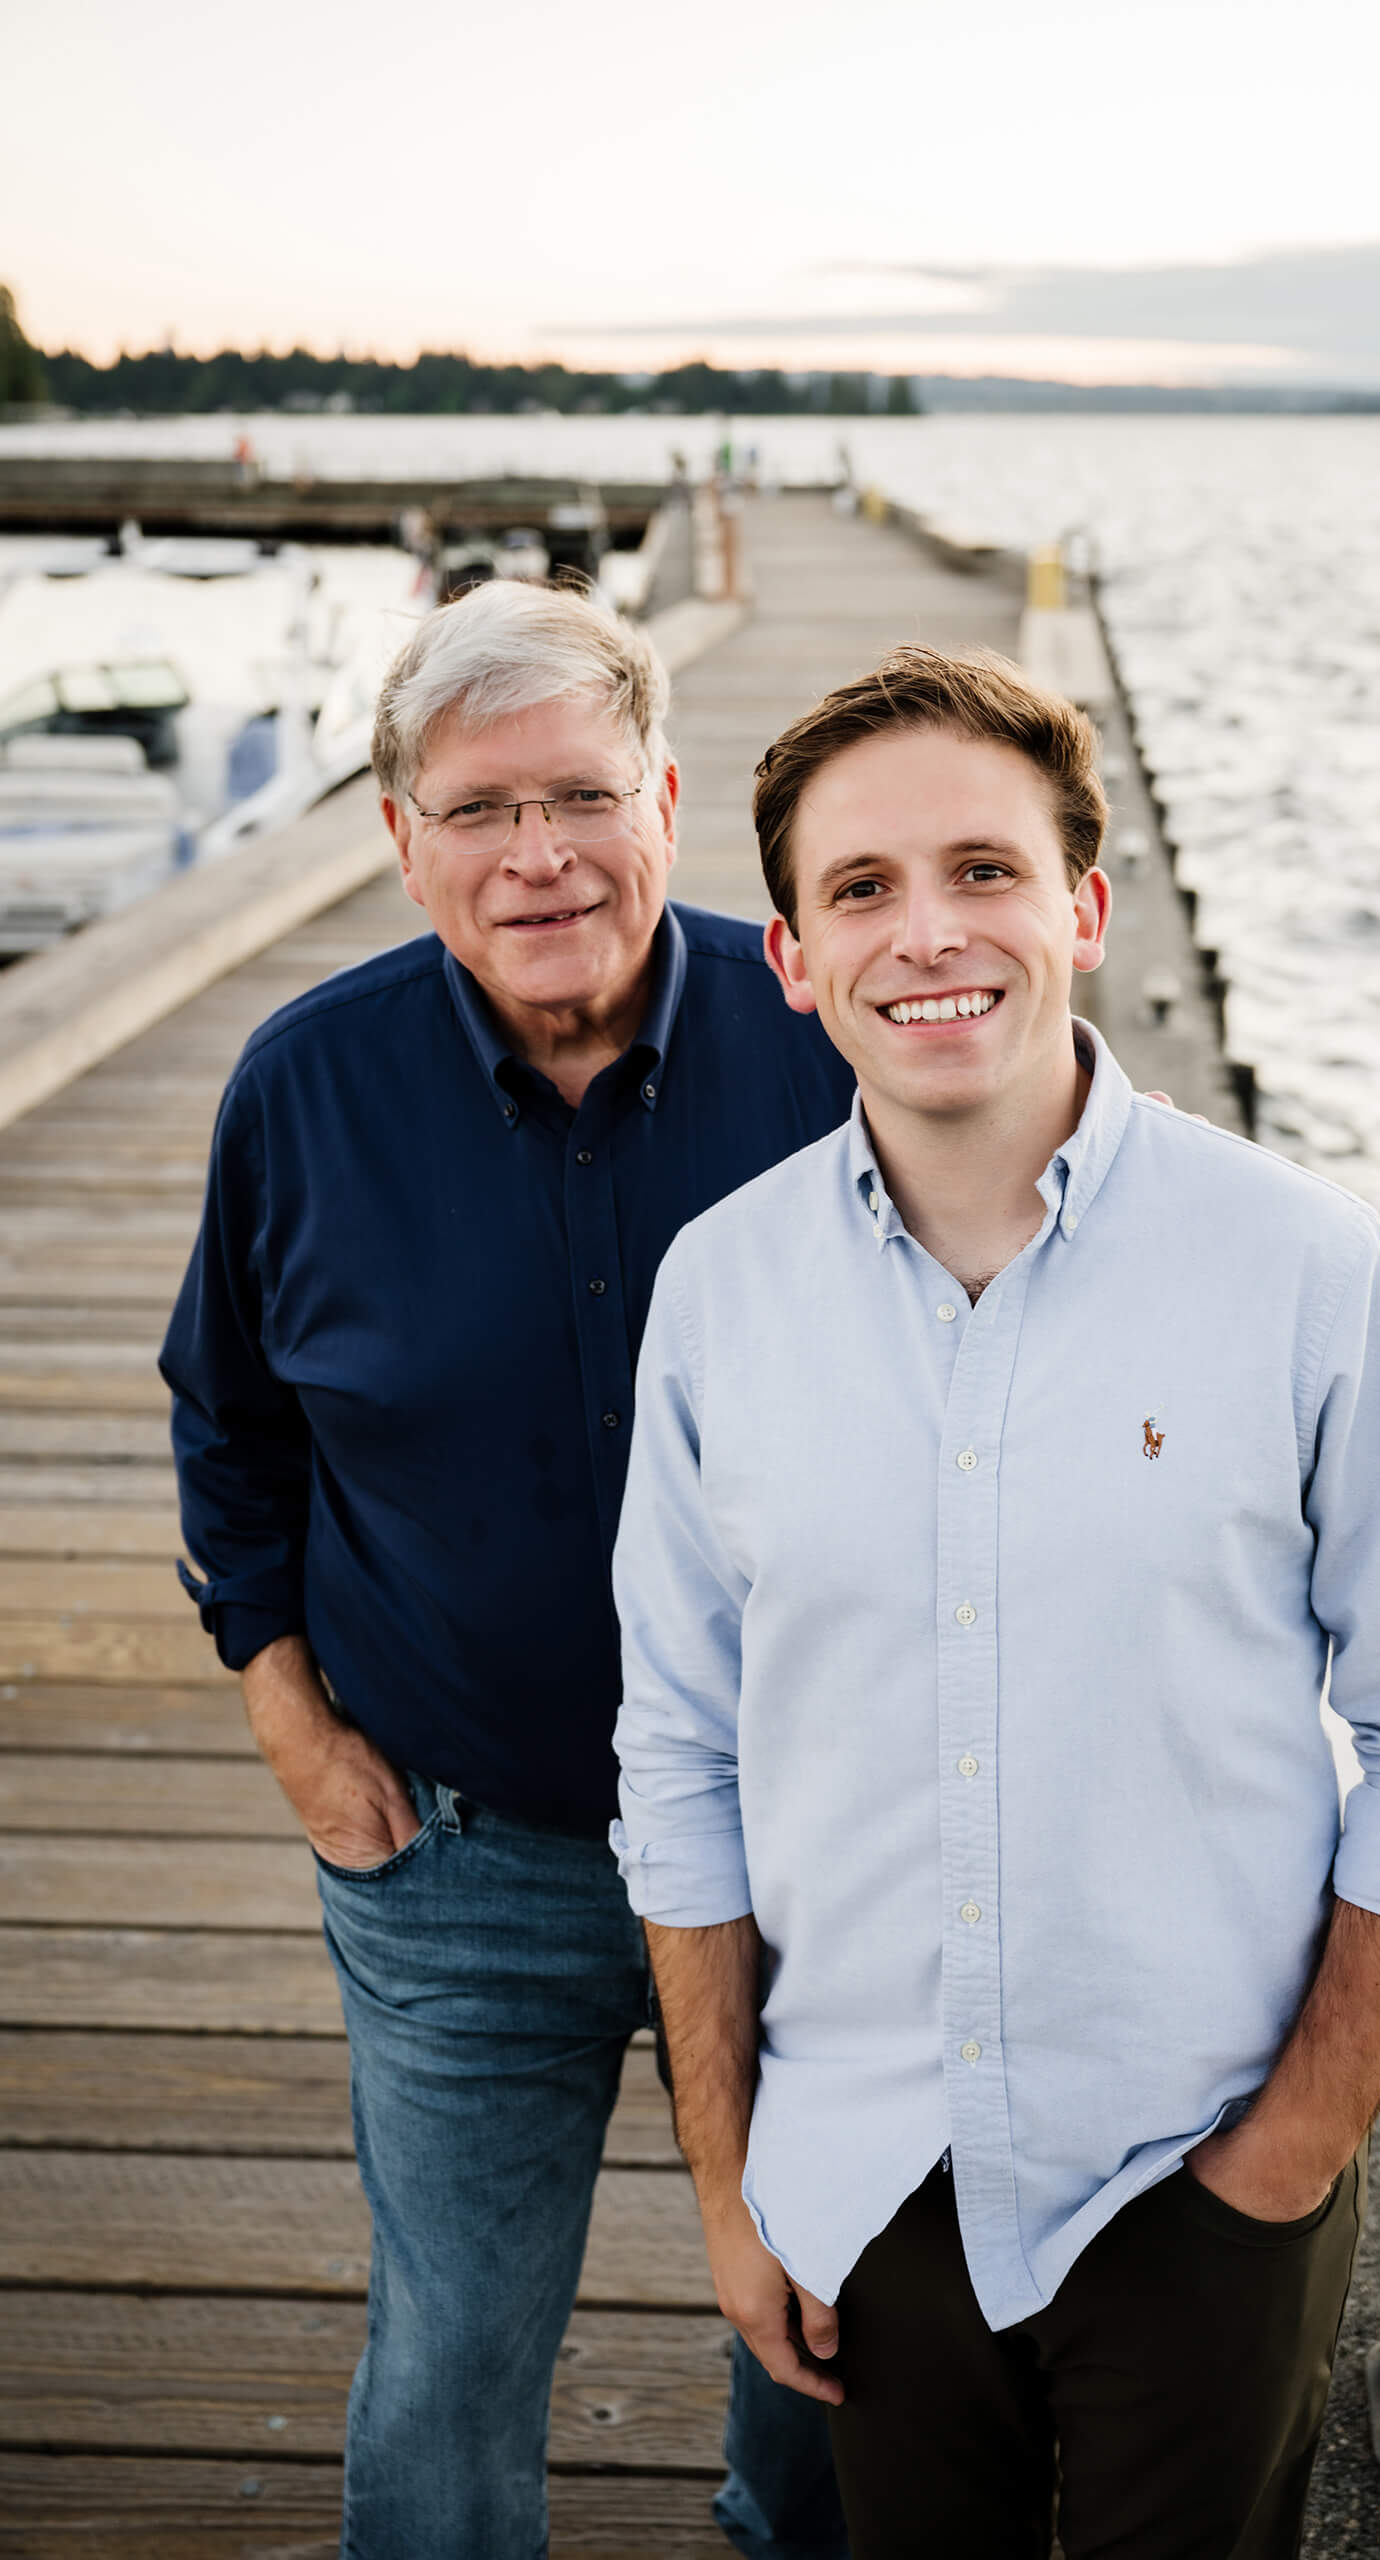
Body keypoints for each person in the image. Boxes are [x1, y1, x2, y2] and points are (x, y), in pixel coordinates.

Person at [610, 646, 1380, 2559]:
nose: (925, 932)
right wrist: (732, 2187)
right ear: (790, 957)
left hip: (1194, 2176)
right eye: (859, 890)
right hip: (866, 2175)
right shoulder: (718, 1296)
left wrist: (1283, 2160)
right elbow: (678, 1753)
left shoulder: (1300, 1268)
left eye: (983, 869)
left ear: (1086, 913)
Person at [161, 580, 854, 2560]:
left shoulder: (836, 1048)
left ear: (663, 796)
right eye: (475, 809)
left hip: (816, 1842)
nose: (535, 851)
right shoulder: (301, 1087)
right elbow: (228, 1422)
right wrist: (290, 1717)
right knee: (455, 2351)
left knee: (831, 2312)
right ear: (397, 838)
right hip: (462, 1855)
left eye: (577, 793)